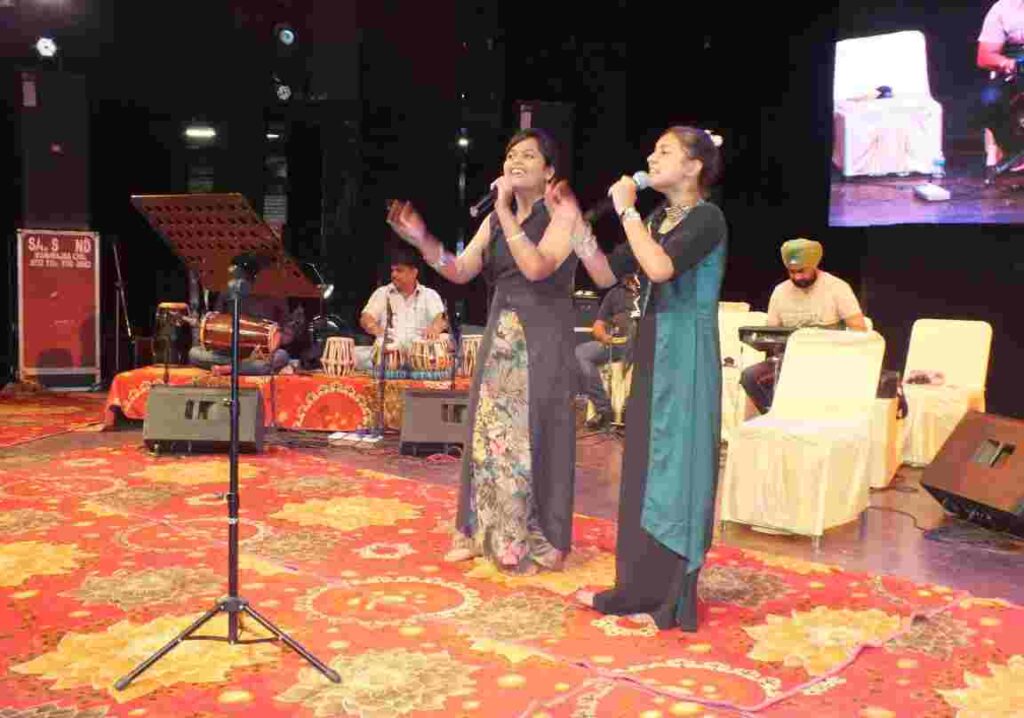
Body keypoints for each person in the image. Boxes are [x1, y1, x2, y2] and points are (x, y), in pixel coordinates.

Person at [386, 128, 579, 574]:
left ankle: (539, 535)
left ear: (549, 171)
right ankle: (482, 530)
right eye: (511, 155)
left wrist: (504, 213)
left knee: (533, 435)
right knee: (491, 434)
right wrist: (422, 240)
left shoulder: (562, 215)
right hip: (502, 333)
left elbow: (536, 268)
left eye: (528, 156)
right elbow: (459, 270)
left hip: (542, 337)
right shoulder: (494, 220)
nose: (516, 162)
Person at [568, 125, 728, 631]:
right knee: (641, 467)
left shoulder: (706, 218)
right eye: (653, 150)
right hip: (654, 347)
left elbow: (659, 269)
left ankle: (668, 597)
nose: (651, 158)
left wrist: (626, 210)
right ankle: (633, 588)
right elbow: (605, 274)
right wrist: (577, 231)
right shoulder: (659, 218)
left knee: (674, 469)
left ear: (694, 166)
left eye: (664, 151)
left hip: (686, 353)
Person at [739, 238, 867, 414]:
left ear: (814, 265)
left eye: (801, 271)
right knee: (750, 376)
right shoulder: (780, 292)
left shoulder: (837, 288)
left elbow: (859, 330)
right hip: (791, 360)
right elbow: (771, 334)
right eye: (791, 272)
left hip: (830, 360)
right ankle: (779, 417)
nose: (797, 277)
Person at [355, 247, 448, 370]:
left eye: (399, 270)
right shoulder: (382, 293)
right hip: (388, 359)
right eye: (392, 270)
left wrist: (435, 328)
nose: (394, 275)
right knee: (356, 354)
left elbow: (441, 318)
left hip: (420, 360)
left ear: (414, 272)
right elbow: (366, 317)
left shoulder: (429, 295)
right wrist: (374, 328)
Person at [575, 272, 640, 429]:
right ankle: (603, 408)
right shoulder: (615, 293)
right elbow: (598, 325)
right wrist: (603, 336)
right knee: (582, 352)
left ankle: (629, 406)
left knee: (634, 330)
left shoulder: (652, 290)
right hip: (617, 344)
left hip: (645, 344)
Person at [188, 293, 304, 376]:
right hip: (229, 351)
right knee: (194, 353)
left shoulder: (276, 295)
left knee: (282, 356)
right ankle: (246, 367)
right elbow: (216, 320)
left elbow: (284, 334)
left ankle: (229, 369)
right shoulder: (227, 290)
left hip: (261, 353)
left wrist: (274, 346)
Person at [977, 0, 1024, 178]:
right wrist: (1008, 63)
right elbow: (984, 56)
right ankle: (1015, 150)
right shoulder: (1004, 9)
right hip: (1016, 69)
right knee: (990, 100)